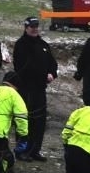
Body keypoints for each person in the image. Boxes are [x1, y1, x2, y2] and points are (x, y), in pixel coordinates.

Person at [12, 16, 58, 162]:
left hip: (40, 89)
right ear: (26, 28)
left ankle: (35, 150)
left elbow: (53, 63)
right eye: (32, 27)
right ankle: (22, 150)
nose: (35, 29)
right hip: (26, 88)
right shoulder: (21, 45)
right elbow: (21, 67)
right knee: (25, 120)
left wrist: (51, 73)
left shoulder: (43, 45)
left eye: (36, 26)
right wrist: (41, 75)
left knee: (40, 121)